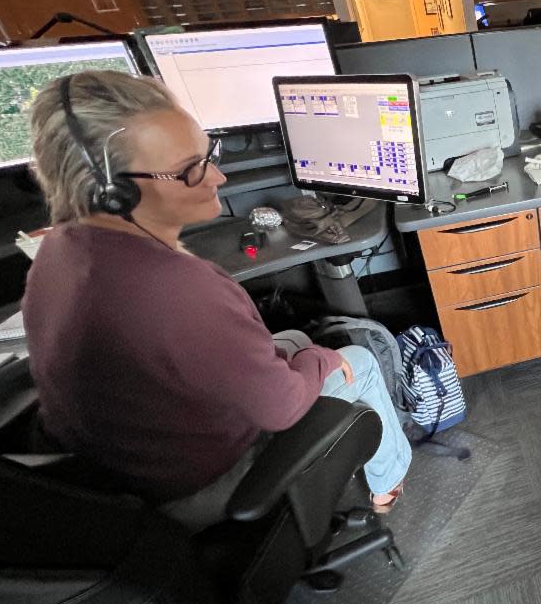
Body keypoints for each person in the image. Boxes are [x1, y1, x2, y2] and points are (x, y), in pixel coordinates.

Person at [22, 71, 410, 529]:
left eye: (208, 156)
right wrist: (320, 361)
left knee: (285, 338)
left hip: (117, 473)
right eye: (190, 169)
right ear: (116, 190)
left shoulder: (58, 249)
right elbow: (282, 406)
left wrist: (298, 353)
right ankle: (388, 485)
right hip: (193, 491)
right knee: (357, 361)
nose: (218, 177)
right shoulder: (179, 287)